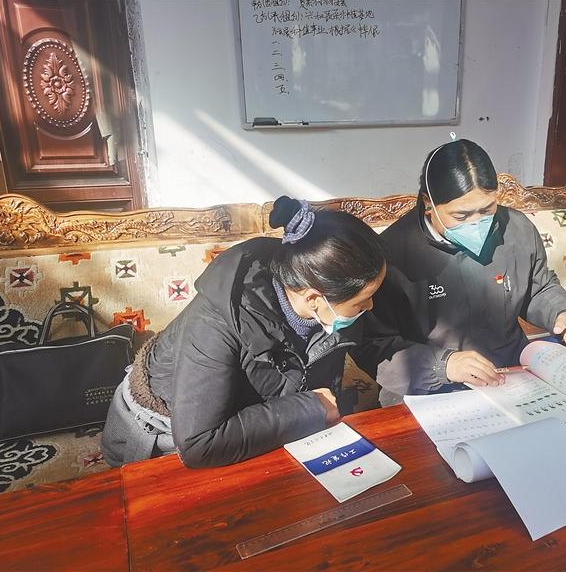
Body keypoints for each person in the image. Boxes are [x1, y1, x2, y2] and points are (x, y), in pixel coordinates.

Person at [101, 196, 387, 468]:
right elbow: (198, 444)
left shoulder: (327, 297)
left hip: (257, 427)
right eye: (362, 301)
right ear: (314, 298)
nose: (371, 306)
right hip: (158, 435)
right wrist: (310, 408)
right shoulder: (216, 320)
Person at [353, 139, 566, 406]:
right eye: (461, 216)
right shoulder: (391, 254)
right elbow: (372, 345)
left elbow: (538, 287)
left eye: (487, 210)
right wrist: (443, 365)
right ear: (428, 204)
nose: (478, 223)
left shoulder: (516, 229)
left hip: (509, 372)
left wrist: (561, 312)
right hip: (425, 386)